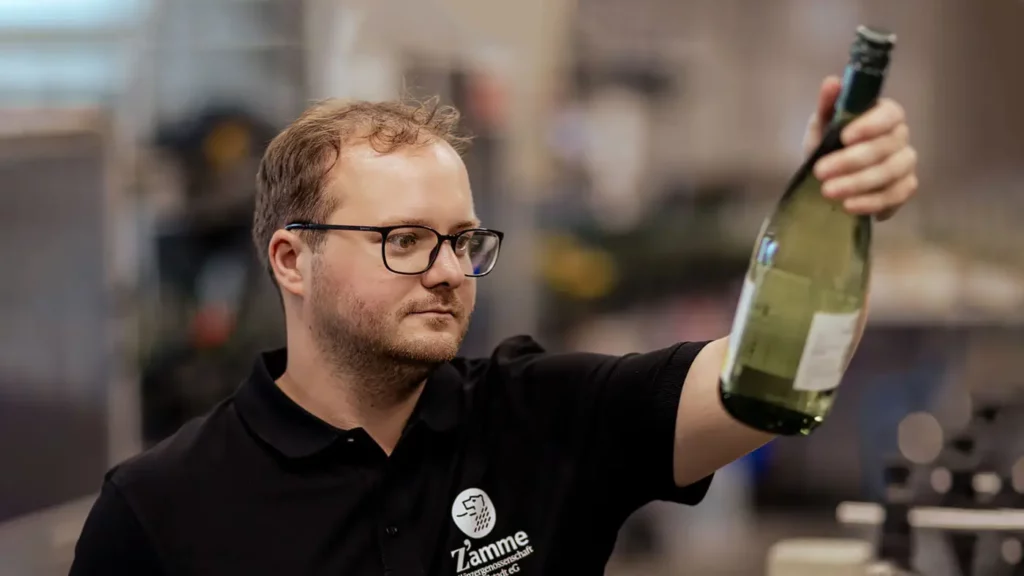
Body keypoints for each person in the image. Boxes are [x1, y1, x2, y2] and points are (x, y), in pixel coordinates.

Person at [70, 76, 919, 576]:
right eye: (405, 240)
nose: (448, 269)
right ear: (293, 260)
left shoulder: (545, 420)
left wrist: (833, 210)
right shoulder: (159, 511)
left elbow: (779, 378)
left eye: (463, 241)